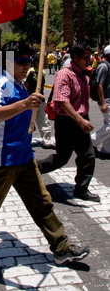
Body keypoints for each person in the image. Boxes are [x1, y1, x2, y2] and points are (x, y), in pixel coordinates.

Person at [0, 41, 90, 266]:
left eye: (29, 61)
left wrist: (28, 103)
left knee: (42, 202)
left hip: (25, 156)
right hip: (3, 160)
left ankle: (60, 246)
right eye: (21, 62)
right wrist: (24, 104)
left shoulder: (20, 85)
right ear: (8, 62)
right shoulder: (1, 85)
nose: (26, 66)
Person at [37, 43, 100, 202]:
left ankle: (81, 189)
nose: (89, 60)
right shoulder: (64, 74)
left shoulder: (83, 73)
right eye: (85, 57)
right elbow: (62, 101)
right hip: (67, 121)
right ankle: (31, 169)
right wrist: (80, 120)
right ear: (75, 57)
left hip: (81, 120)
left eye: (89, 57)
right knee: (62, 158)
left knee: (87, 156)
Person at [24, 53, 55, 148]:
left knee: (44, 120)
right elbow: (26, 85)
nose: (45, 63)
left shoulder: (43, 72)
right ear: (37, 62)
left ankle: (47, 141)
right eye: (43, 61)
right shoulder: (31, 71)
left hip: (41, 100)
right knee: (29, 122)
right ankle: (25, 141)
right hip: (31, 100)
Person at [90, 45, 110, 156]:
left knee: (108, 124)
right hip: (106, 100)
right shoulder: (104, 66)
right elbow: (99, 85)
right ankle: (91, 141)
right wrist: (103, 103)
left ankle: (107, 149)